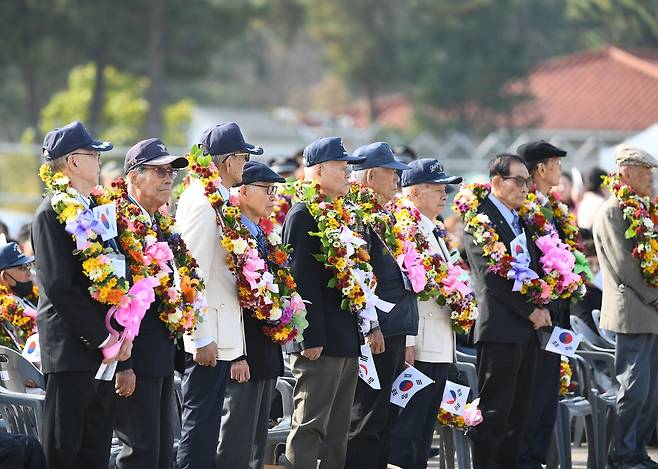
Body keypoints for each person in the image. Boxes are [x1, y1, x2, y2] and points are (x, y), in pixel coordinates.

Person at [32, 121, 132, 469]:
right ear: (72, 161)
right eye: (93, 154)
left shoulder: (93, 209)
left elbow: (115, 273)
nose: (100, 160)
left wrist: (121, 333)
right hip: (73, 351)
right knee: (64, 450)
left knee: (95, 449)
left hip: (103, 351)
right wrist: (105, 337)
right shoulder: (51, 212)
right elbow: (60, 287)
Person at [175, 122, 262, 469]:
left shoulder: (217, 197)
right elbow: (188, 273)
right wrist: (199, 335)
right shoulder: (202, 200)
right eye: (242, 157)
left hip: (223, 331)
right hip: (208, 333)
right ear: (227, 162)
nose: (244, 164)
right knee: (199, 427)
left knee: (207, 427)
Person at [460, 153, 551, 469]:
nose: (526, 187)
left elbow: (535, 268)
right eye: (519, 180)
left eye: (528, 180)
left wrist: (543, 301)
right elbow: (492, 275)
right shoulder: (479, 219)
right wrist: (530, 309)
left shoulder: (523, 219)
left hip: (527, 329)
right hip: (500, 328)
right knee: (495, 409)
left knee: (519, 412)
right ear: (497, 182)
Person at [282, 137, 366, 468]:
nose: (348, 172)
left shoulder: (341, 214)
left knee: (337, 430)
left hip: (344, 337)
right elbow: (299, 280)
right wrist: (308, 336)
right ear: (317, 172)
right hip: (319, 341)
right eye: (341, 166)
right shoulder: (303, 214)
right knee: (309, 426)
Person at [113, 138, 189, 469]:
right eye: (159, 171)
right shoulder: (118, 222)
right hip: (133, 356)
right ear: (134, 175)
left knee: (159, 452)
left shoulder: (158, 221)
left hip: (158, 353)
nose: (168, 177)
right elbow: (111, 296)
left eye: (171, 171)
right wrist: (123, 364)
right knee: (140, 452)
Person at [344, 142, 417, 468]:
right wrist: (370, 326)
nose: (397, 181)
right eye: (392, 173)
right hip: (378, 332)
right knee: (368, 416)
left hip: (396, 328)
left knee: (388, 414)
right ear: (371, 175)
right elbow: (359, 275)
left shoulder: (385, 214)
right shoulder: (358, 215)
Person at [388, 158, 463, 469]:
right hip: (418, 342)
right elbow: (404, 288)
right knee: (408, 428)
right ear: (415, 192)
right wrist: (407, 341)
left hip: (439, 341)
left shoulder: (433, 229)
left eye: (445, 188)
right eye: (436, 188)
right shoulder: (406, 227)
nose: (444, 194)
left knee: (423, 429)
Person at [216, 160, 286, 469]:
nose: (273, 196)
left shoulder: (264, 235)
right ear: (242, 191)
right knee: (236, 436)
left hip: (267, 347)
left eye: (275, 190)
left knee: (258, 437)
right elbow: (227, 296)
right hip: (242, 349)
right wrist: (235, 354)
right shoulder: (230, 234)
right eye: (266, 189)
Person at [593, 145, 658, 469]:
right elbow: (625, 266)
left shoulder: (644, 209)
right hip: (633, 310)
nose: (650, 179)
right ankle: (621, 453)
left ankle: (636, 451)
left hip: (651, 312)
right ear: (625, 173)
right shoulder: (613, 211)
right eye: (645, 172)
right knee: (633, 387)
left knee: (651, 392)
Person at [517, 140, 576, 469]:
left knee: (548, 392)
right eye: (556, 164)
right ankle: (525, 458)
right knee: (534, 392)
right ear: (540, 168)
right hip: (537, 314)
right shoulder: (525, 210)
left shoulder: (552, 206)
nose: (560, 171)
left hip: (559, 312)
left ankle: (536, 458)